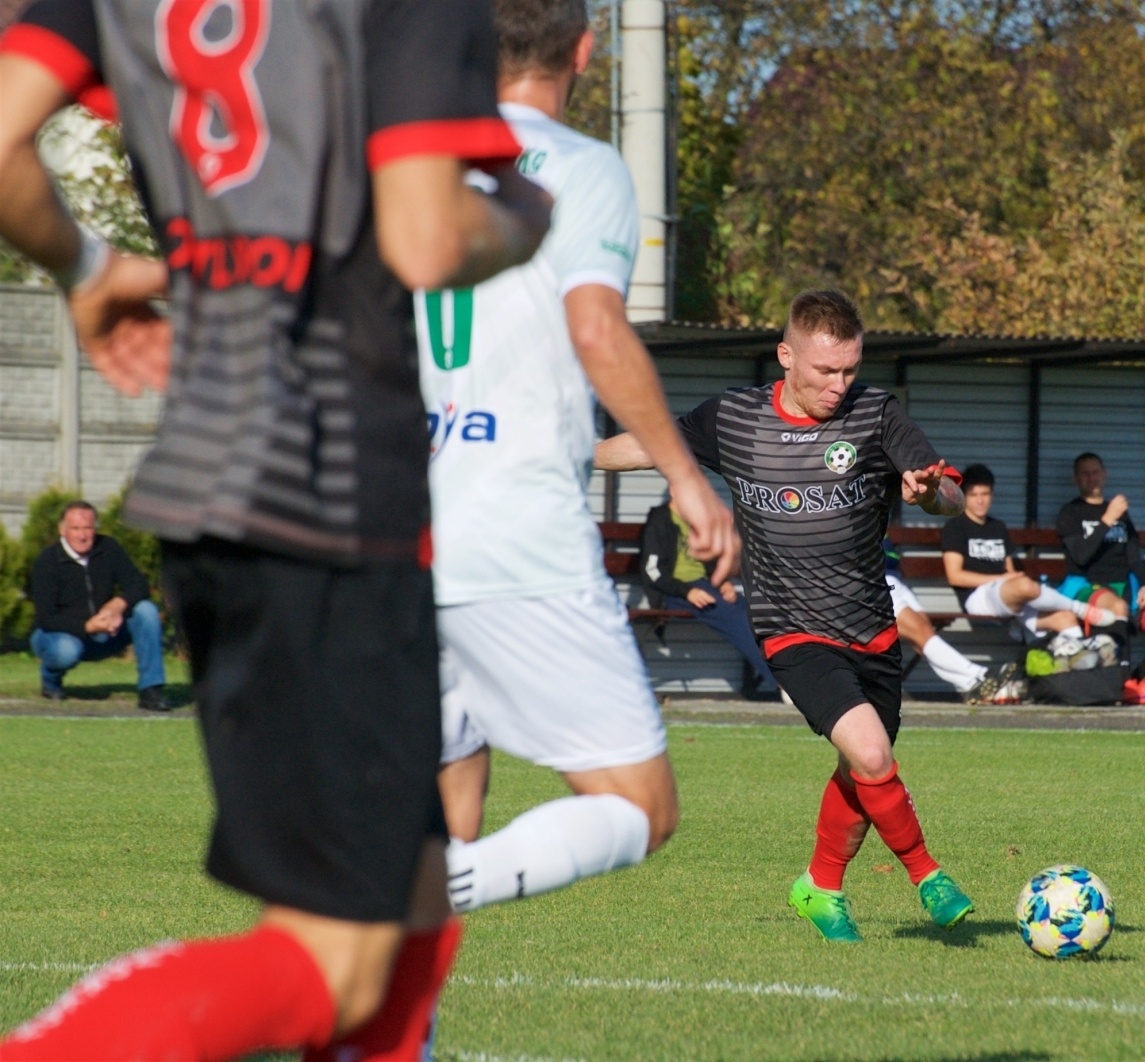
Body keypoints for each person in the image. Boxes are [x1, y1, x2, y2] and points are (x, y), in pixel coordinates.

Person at [0, 0, 553, 1057]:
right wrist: (524, 215)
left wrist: (88, 266)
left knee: (416, 906)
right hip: (336, 498)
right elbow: (427, 234)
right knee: (338, 960)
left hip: (206, 494)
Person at [421, 0, 737, 915]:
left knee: (453, 790)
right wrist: (683, 473)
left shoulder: (406, 161)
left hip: (397, 526)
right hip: (516, 536)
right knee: (641, 808)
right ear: (586, 50)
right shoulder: (584, 167)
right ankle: (408, 898)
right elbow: (596, 326)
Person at [597, 289, 976, 944]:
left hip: (874, 628)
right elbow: (648, 445)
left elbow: (942, 492)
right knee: (869, 751)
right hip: (790, 627)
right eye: (826, 370)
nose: (839, 384)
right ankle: (928, 875)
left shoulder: (876, 414)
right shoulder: (736, 420)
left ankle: (821, 888)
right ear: (786, 356)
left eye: (849, 369)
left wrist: (932, 491)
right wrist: (558, 452)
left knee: (863, 769)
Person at [1056, 452, 1145, 706]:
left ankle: (1141, 677)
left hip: (1126, 587)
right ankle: (1122, 684)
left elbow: (1134, 555)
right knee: (1118, 607)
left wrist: (1143, 585)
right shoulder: (1071, 513)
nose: (1092, 478)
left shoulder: (1121, 514)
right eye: (1085, 473)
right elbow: (1081, 556)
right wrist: (1107, 519)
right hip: (1088, 587)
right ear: (1076, 479)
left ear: (1104, 475)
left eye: (1096, 472)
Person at [940, 463, 1113, 638]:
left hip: (1006, 595)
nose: (980, 500)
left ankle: (1073, 657)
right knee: (1024, 586)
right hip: (977, 598)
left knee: (1066, 619)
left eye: (985, 494)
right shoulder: (956, 527)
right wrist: (1002, 579)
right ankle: (1079, 608)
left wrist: (1009, 578)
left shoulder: (997, 527)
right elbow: (955, 576)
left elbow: (1009, 571)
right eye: (973, 495)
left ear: (992, 494)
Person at [29, 499, 167, 710]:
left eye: (88, 528)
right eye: (75, 528)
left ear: (95, 528)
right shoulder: (46, 562)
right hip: (59, 635)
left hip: (105, 632)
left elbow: (139, 585)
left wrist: (117, 604)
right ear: (62, 530)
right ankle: (50, 679)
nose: (82, 535)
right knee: (66, 650)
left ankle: (151, 690)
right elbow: (47, 618)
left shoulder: (108, 548)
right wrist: (88, 626)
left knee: (146, 610)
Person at [641, 498, 775, 695]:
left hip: (704, 585)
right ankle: (780, 683)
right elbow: (652, 571)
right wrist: (688, 592)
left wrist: (723, 582)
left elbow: (709, 561)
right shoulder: (660, 520)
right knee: (734, 617)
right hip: (673, 591)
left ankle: (785, 674)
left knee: (751, 612)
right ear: (674, 490)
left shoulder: (696, 520)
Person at [883, 539, 1020, 704]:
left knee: (923, 638)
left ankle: (970, 686)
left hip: (894, 581)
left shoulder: (874, 516)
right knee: (922, 633)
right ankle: (980, 674)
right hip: (871, 582)